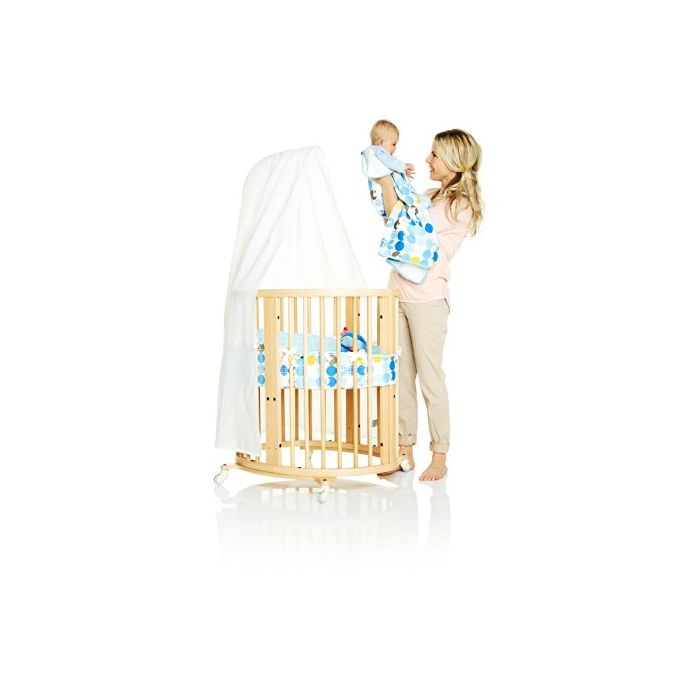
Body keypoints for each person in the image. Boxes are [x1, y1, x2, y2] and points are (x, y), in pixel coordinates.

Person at [373, 129, 484, 481]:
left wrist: (387, 178)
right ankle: (404, 450)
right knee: (401, 377)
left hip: (428, 300)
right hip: (398, 294)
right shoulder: (429, 195)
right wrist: (386, 180)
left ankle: (439, 454)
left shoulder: (459, 205)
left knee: (430, 380)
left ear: (453, 160)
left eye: (434, 154)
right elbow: (392, 221)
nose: (427, 159)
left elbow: (408, 226)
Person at [361, 120, 438, 283]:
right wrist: (402, 167)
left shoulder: (375, 157)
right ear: (380, 142)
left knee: (398, 215)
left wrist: (400, 175)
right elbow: (391, 164)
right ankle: (408, 258)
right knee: (401, 214)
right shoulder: (377, 152)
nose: (395, 149)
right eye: (393, 144)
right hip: (385, 199)